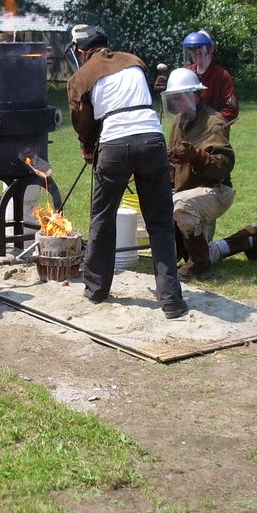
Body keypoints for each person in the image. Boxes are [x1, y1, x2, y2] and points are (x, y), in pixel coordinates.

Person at [66, 24, 188, 319]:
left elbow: (83, 122)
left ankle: (95, 290)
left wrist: (87, 148)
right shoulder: (134, 61)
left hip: (115, 146)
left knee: (102, 219)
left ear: (81, 52)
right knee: (159, 223)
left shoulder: (80, 77)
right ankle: (171, 299)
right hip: (152, 140)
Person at [161, 68, 257, 279]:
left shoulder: (214, 121)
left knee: (181, 205)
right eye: (173, 98)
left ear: (193, 94)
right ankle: (249, 238)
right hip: (188, 193)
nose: (176, 103)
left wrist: (197, 157)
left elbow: (224, 165)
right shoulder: (178, 121)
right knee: (195, 249)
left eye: (179, 98)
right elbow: (173, 164)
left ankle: (200, 264)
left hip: (215, 190)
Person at [155, 30, 238, 122]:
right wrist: (168, 93)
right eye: (192, 51)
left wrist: (212, 123)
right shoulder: (187, 73)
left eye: (200, 50)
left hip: (212, 128)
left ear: (211, 49)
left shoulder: (221, 75)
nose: (196, 54)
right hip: (188, 126)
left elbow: (231, 110)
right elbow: (176, 107)